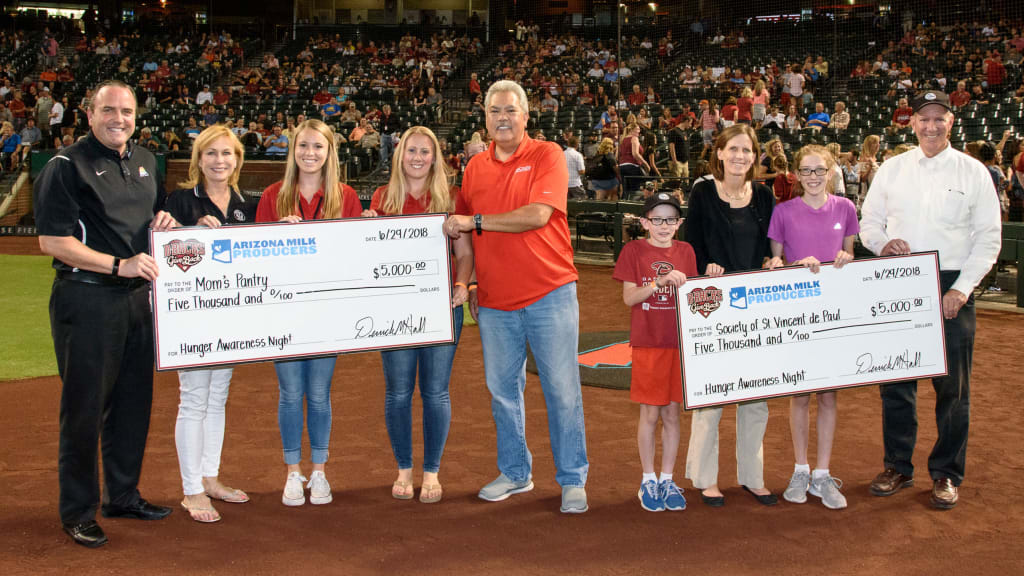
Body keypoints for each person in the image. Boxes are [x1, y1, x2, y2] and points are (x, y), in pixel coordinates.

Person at [33, 80, 176, 548]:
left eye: (128, 111)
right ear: (89, 114)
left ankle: (122, 495)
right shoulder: (64, 165)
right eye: (109, 110)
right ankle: (77, 510)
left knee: (133, 404)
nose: (119, 119)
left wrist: (164, 224)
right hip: (87, 297)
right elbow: (53, 241)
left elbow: (150, 220)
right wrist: (119, 264)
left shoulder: (147, 161)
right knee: (84, 409)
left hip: (137, 299)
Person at [443, 80, 589, 514]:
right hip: (493, 301)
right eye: (494, 111)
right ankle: (515, 471)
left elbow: (537, 215)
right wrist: (466, 281)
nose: (502, 118)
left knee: (562, 390)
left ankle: (572, 478)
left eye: (510, 110)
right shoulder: (475, 167)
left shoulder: (547, 155)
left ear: (526, 116)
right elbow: (463, 236)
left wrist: (475, 221)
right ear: (484, 117)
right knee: (503, 392)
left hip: (550, 292)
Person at [860, 90, 1001, 509]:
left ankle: (945, 473)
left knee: (952, 388)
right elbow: (869, 223)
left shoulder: (973, 172)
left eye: (940, 118)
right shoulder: (892, 168)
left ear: (952, 122)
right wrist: (883, 244)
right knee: (897, 383)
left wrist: (961, 289)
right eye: (924, 118)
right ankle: (898, 465)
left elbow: (989, 238)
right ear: (913, 123)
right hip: (899, 280)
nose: (931, 125)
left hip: (951, 283)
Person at [361, 127, 474, 504]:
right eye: (411, 150)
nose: (418, 157)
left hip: (441, 307)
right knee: (397, 392)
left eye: (426, 151)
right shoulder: (382, 197)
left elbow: (465, 254)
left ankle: (432, 471)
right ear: (399, 154)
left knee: (436, 392)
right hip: (393, 310)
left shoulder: (450, 198)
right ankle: (404, 468)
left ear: (435, 157)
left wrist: (462, 285)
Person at [255, 119, 362, 507]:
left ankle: (319, 471)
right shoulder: (273, 195)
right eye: (303, 146)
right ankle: (291, 472)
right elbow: (254, 261)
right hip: (284, 312)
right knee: (289, 394)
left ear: (329, 152)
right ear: (293, 150)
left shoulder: (345, 196)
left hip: (326, 314)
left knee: (318, 394)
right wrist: (274, 236)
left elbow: (356, 257)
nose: (310, 153)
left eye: (318, 147)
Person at [163, 125, 256, 523]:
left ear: (237, 160)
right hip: (193, 319)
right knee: (194, 398)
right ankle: (191, 489)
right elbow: (166, 254)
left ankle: (210, 477)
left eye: (228, 154)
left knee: (217, 396)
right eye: (212, 153)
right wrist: (189, 233)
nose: (220, 161)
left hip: (231, 317)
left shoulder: (244, 204)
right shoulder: (180, 201)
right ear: (198, 159)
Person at [683, 124, 777, 507]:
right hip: (713, 305)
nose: (740, 156)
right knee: (712, 396)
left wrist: (775, 260)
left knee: (756, 397)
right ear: (719, 153)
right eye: (733, 149)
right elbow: (692, 244)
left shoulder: (765, 196)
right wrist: (705, 267)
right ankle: (705, 478)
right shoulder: (703, 192)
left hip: (756, 305)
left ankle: (753, 476)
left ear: (755, 157)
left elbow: (774, 246)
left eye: (747, 150)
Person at [766, 144, 859, 510]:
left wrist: (845, 258)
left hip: (834, 311)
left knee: (829, 394)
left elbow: (849, 254)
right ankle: (800, 468)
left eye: (820, 170)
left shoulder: (847, 209)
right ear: (797, 174)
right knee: (800, 394)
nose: (813, 177)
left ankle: (822, 473)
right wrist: (791, 265)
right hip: (797, 311)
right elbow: (774, 261)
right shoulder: (782, 212)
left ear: (831, 171)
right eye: (806, 170)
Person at [613, 192, 696, 512]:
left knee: (673, 414)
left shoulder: (686, 251)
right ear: (645, 222)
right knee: (650, 413)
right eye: (657, 219)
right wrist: (659, 283)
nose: (664, 225)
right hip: (649, 342)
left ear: (679, 223)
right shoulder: (633, 250)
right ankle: (648, 477)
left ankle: (667, 478)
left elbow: (696, 296)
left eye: (670, 219)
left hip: (678, 342)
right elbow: (629, 298)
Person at [618, 123, 651, 198]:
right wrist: (645, 164)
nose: (639, 131)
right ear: (632, 130)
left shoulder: (623, 139)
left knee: (626, 191)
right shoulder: (634, 138)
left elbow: (618, 154)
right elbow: (635, 154)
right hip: (632, 166)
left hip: (622, 167)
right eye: (638, 129)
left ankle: (624, 207)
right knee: (634, 191)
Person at [588, 137, 621, 201]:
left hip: (595, 181)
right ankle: (613, 207)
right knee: (615, 192)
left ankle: (599, 209)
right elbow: (616, 169)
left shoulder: (597, 155)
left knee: (600, 197)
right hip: (608, 180)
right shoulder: (610, 156)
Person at [564, 135, 586, 200]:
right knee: (580, 207)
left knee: (567, 207)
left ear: (568, 144)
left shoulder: (562, 154)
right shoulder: (578, 155)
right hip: (575, 184)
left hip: (564, 185)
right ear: (577, 144)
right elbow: (581, 171)